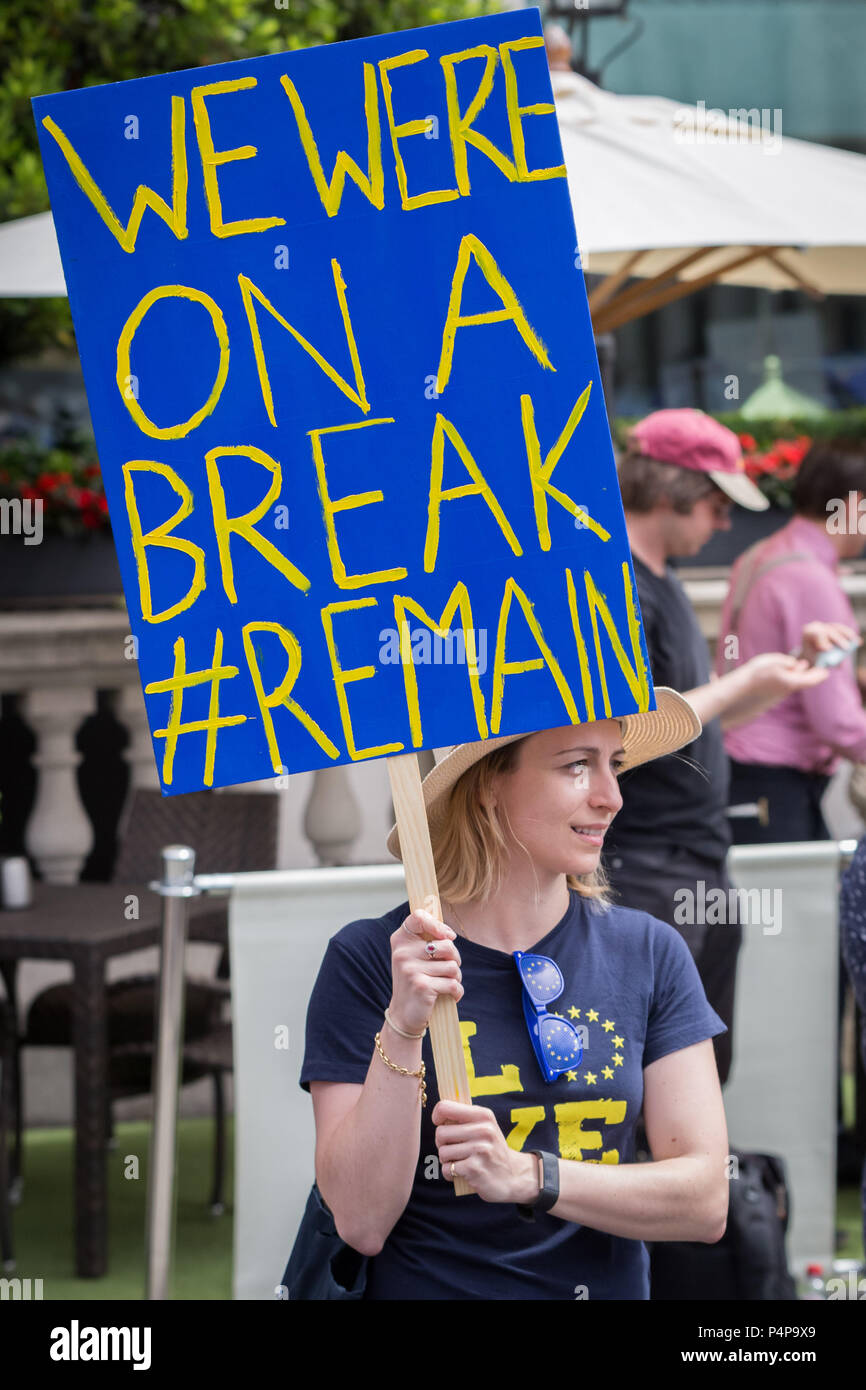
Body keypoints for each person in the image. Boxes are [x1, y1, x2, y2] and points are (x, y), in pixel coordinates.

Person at [299, 690, 730, 1301]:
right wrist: (403, 1024)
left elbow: (705, 1199)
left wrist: (529, 1176)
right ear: (486, 787)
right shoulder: (371, 959)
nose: (611, 795)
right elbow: (361, 1222)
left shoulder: (650, 952)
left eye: (615, 763)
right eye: (577, 764)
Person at [608, 408, 834, 1087]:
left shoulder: (663, 580)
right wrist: (746, 680)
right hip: (645, 864)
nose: (726, 522)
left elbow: (689, 724)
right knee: (650, 1078)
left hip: (688, 861)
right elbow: (626, 737)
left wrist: (776, 675)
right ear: (670, 489)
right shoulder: (623, 586)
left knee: (695, 1073)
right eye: (714, 502)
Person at [716, 438, 866, 844]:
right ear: (855, 506)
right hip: (777, 785)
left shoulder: (758, 554)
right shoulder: (811, 579)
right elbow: (837, 721)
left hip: (742, 772)